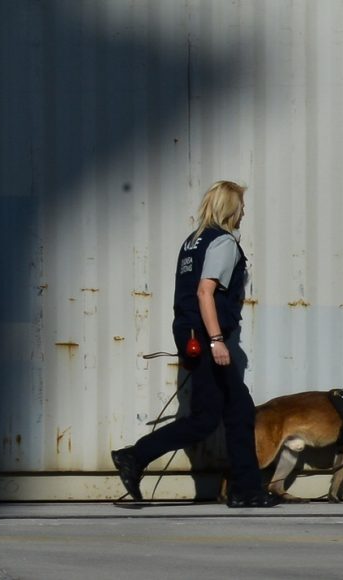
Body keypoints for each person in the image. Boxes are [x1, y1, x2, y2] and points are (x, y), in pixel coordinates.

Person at [111, 180, 278, 508]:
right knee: (217, 416)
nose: (244, 213)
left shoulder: (192, 242)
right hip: (207, 337)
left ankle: (245, 489)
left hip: (190, 335)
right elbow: (205, 291)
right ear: (231, 208)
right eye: (241, 207)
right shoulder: (224, 242)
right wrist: (217, 340)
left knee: (233, 411)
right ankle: (135, 456)